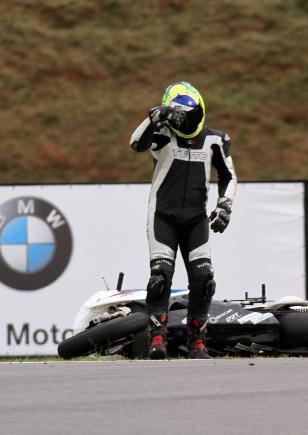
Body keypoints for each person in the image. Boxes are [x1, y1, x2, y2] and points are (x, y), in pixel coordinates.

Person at [129, 81, 237, 359]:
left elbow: (228, 176)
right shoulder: (162, 136)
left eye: (192, 115)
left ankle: (197, 341)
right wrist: (154, 116)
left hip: (196, 220)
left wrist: (224, 206)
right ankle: (156, 340)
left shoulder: (216, 140)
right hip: (162, 217)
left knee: (204, 278)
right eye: (181, 116)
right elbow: (136, 143)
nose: (187, 121)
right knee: (160, 278)